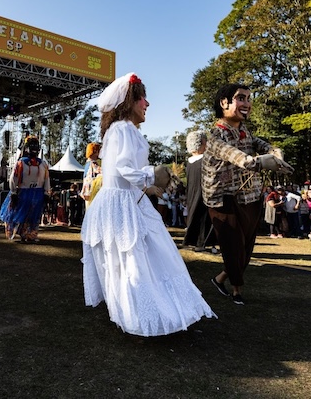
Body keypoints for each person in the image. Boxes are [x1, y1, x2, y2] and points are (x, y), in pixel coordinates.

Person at [81, 72, 215, 336]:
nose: (147, 104)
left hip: (128, 200)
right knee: (130, 260)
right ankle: (138, 314)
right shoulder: (122, 129)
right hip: (120, 204)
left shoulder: (124, 130)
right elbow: (122, 167)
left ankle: (145, 311)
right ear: (129, 100)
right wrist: (152, 175)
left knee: (144, 257)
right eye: (143, 98)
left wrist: (149, 184)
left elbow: (126, 170)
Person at [201, 83, 293, 305]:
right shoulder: (215, 135)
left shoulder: (246, 133)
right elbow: (234, 155)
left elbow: (266, 147)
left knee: (245, 247)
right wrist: (257, 161)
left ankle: (220, 279)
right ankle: (237, 290)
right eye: (240, 98)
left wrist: (276, 154)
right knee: (233, 246)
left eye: (249, 99)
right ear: (225, 103)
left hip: (249, 197)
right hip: (222, 199)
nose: (247, 104)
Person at [0, 135, 50, 242]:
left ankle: (31, 235)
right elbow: (14, 178)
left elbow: (46, 179)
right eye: (32, 146)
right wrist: (13, 192)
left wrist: (46, 192)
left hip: (37, 193)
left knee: (34, 216)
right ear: (27, 148)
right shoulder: (21, 163)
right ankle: (22, 233)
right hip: (23, 192)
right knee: (19, 214)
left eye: (36, 146)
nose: (34, 149)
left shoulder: (43, 164)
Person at [182, 131, 217, 254]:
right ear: (202, 142)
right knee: (204, 218)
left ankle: (198, 243)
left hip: (192, 194)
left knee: (196, 217)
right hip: (204, 193)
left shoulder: (189, 162)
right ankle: (202, 244)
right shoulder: (205, 160)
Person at [79, 142, 102, 209]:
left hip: (86, 191)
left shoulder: (87, 163)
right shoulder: (93, 163)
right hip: (91, 192)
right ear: (95, 151)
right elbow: (101, 172)